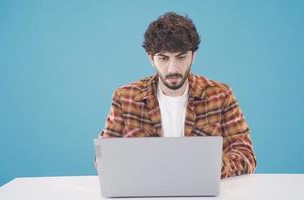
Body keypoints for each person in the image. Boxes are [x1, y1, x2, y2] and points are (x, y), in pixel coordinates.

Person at [99, 12, 256, 178]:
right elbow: (103, 155)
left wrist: (215, 166)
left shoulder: (220, 95)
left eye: (181, 57)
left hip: (201, 190)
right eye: (164, 58)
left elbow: (246, 154)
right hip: (145, 190)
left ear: (193, 56)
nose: (172, 69)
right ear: (151, 59)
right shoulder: (125, 98)